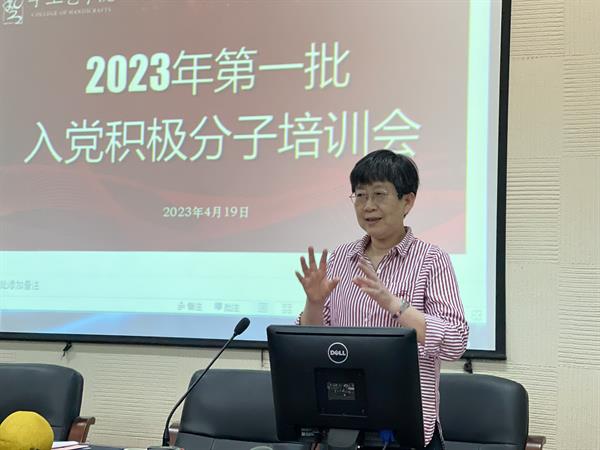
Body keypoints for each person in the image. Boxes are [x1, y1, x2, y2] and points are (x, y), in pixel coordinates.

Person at [295, 149, 469, 450]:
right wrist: (314, 303)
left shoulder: (431, 259)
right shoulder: (341, 258)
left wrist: (395, 305)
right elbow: (312, 343)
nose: (368, 206)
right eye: (360, 195)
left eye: (379, 194)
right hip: (344, 423)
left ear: (407, 201)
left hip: (406, 430)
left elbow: (455, 341)